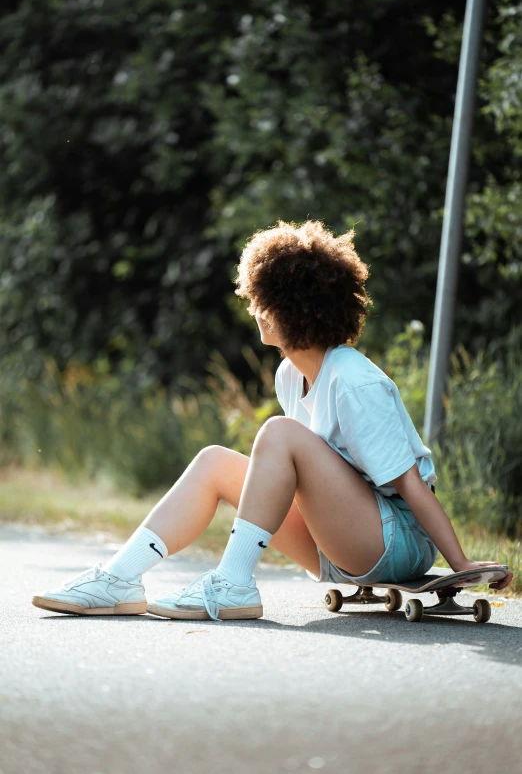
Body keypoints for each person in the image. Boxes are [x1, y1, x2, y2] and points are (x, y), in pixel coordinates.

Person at [32, 220, 513, 620]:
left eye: (265, 301)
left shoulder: (353, 381)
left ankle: (233, 585)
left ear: (298, 309)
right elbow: (298, 483)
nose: (254, 309)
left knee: (279, 434)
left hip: (396, 541)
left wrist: (461, 562)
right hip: (339, 542)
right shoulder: (290, 375)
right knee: (215, 462)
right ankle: (118, 579)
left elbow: (411, 486)